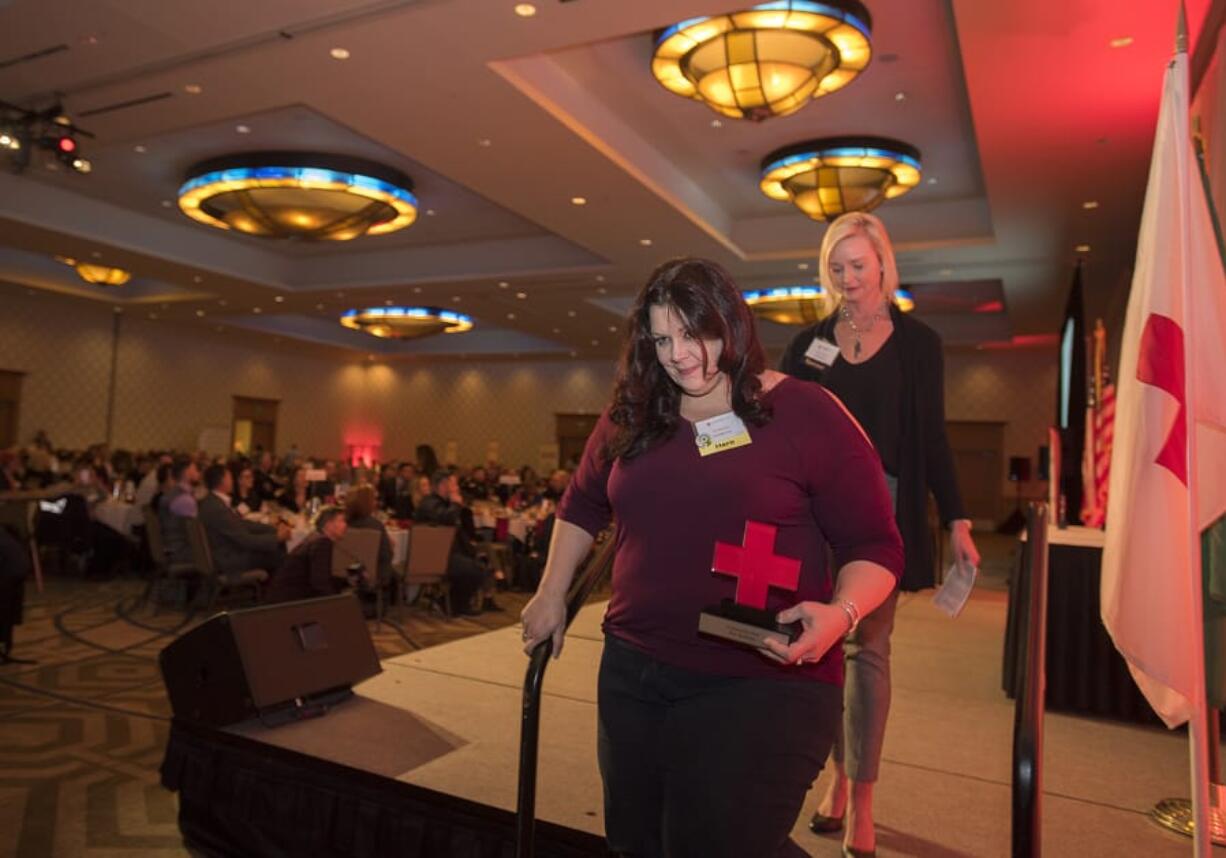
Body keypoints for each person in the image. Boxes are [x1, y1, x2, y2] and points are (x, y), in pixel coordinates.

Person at [520, 258, 903, 858]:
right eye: (663, 337)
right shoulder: (635, 411)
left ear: (731, 324)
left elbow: (875, 545)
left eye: (695, 333)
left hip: (759, 681)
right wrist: (550, 593)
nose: (680, 355)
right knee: (637, 843)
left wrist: (842, 613)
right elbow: (582, 503)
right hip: (633, 670)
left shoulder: (806, 413)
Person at [779, 211, 981, 856]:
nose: (848, 279)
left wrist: (958, 521)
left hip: (885, 512)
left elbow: (935, 440)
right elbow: (781, 429)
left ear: (884, 265)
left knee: (868, 651)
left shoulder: (920, 344)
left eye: (859, 266)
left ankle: (862, 796)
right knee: (825, 646)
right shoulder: (808, 344)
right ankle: (835, 781)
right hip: (816, 513)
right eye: (837, 269)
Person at [414, 470, 491, 616]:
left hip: (447, 554)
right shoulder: (429, 503)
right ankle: (449, 603)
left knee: (477, 565)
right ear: (443, 485)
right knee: (473, 569)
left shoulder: (444, 503)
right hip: (433, 556)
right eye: (453, 484)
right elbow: (445, 519)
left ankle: (455, 604)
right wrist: (456, 504)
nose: (456, 488)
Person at [197, 464, 290, 575]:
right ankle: (277, 590)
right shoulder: (217, 508)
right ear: (223, 481)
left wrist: (272, 529)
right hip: (227, 559)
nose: (232, 480)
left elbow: (241, 523)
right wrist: (276, 538)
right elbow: (246, 540)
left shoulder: (212, 501)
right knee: (278, 554)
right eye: (230, 477)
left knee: (274, 548)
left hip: (225, 551)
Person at [266, 507, 350, 603]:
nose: (345, 525)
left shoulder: (314, 538)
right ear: (329, 524)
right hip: (290, 601)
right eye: (342, 521)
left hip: (282, 595)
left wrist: (345, 582)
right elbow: (320, 582)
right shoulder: (322, 543)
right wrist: (337, 601)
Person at [344, 484, 396, 585]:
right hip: (374, 576)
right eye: (374, 499)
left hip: (346, 574)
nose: (376, 502)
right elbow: (386, 556)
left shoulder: (343, 524)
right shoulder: (376, 525)